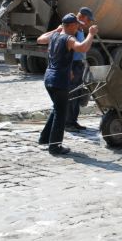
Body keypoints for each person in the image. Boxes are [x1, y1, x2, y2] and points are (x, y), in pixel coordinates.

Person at [37, 13, 98, 155]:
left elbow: (40, 39)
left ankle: (44, 138)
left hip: (49, 78)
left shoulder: (54, 36)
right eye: (76, 25)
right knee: (61, 114)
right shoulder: (69, 38)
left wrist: (56, 30)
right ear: (70, 26)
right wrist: (91, 34)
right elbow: (82, 48)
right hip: (59, 80)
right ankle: (55, 146)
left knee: (57, 109)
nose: (78, 27)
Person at [65, 7, 95, 132]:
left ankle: (73, 121)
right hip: (73, 65)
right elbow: (69, 51)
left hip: (79, 65)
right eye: (88, 20)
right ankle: (68, 122)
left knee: (77, 94)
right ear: (82, 17)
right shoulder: (74, 28)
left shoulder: (81, 28)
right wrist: (69, 69)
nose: (89, 23)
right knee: (71, 94)